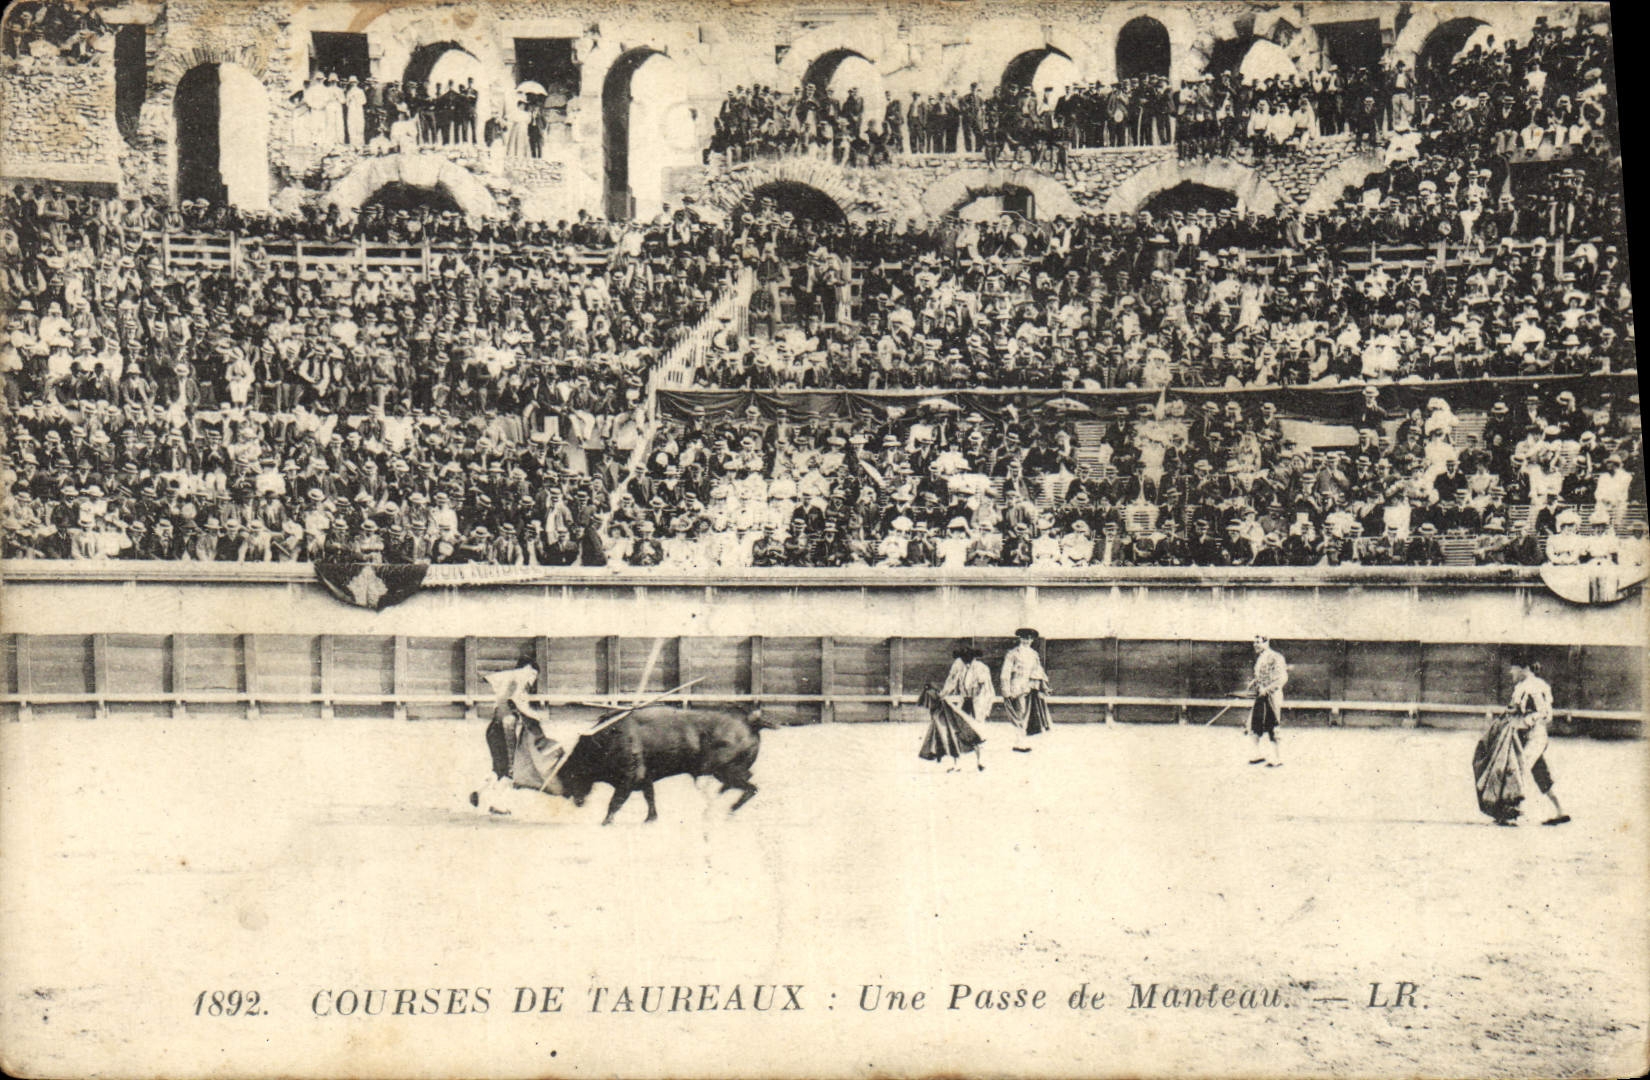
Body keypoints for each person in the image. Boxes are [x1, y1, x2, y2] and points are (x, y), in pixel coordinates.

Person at [1506, 658, 1570, 826]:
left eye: (1513, 668)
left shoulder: (1531, 686)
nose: (1511, 672)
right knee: (1539, 772)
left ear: (1523, 668)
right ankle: (1560, 811)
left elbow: (1544, 714)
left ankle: (1517, 811)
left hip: (1533, 736)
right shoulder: (1532, 685)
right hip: (1529, 735)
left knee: (1520, 768)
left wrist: (1525, 720)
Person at [919, 642, 989, 772]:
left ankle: (981, 761)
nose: (966, 662)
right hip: (964, 702)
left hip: (978, 704)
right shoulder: (958, 666)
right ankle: (958, 764)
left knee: (976, 733)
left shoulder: (981, 668)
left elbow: (984, 689)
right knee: (955, 732)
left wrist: (983, 707)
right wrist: (942, 695)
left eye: (969, 659)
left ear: (975, 658)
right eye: (964, 659)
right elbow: (951, 682)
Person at [1000, 627, 1050, 752]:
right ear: (1020, 639)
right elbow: (1005, 673)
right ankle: (1020, 742)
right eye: (1024, 638)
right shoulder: (1013, 653)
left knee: (1026, 715)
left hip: (1031, 687)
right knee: (1019, 714)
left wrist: (1043, 686)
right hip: (1017, 687)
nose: (1026, 641)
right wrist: (1006, 689)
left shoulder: (1034, 654)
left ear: (1032, 640)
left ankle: (1021, 742)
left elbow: (1038, 670)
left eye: (1029, 638)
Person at [1245, 635, 1286, 766]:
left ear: (1266, 642)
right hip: (1261, 695)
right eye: (1254, 642)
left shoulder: (1276, 657)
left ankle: (1277, 758)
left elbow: (1282, 678)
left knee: (1272, 725)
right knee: (1254, 724)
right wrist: (1254, 682)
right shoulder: (1261, 658)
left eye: (1258, 642)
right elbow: (1262, 675)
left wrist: (1267, 689)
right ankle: (1257, 754)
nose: (1255, 645)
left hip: (1272, 696)